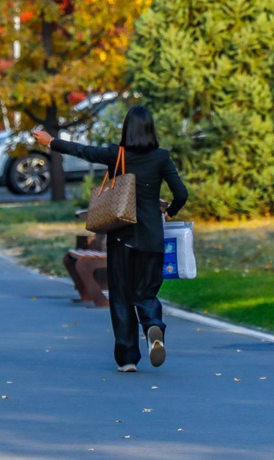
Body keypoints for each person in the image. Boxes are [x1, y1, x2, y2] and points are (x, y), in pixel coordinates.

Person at [32, 105, 188, 373]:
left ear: (127, 129)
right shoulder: (162, 157)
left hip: (121, 239)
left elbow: (83, 151)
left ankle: (127, 358)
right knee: (146, 291)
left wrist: (51, 141)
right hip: (151, 238)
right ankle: (152, 324)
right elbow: (181, 194)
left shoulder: (118, 155)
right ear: (151, 129)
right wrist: (169, 211)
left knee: (121, 297)